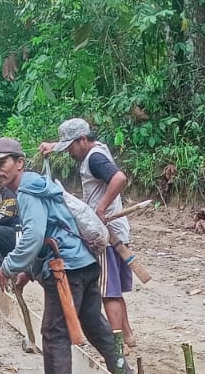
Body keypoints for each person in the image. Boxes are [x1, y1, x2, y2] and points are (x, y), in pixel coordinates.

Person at [0, 136, 129, 374]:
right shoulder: (39, 185)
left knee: (53, 331)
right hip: (84, 262)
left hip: (65, 268)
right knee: (94, 324)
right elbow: (51, 230)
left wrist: (8, 267)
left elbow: (33, 236)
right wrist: (29, 272)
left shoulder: (27, 191)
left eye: (2, 163)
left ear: (19, 163)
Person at [40, 118, 137, 352]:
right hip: (113, 232)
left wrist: (101, 208)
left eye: (71, 147)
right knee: (113, 289)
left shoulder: (94, 158)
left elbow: (119, 178)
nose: (69, 153)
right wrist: (53, 146)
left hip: (105, 235)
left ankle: (117, 347)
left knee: (108, 292)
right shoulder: (96, 150)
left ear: (83, 140)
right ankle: (127, 336)